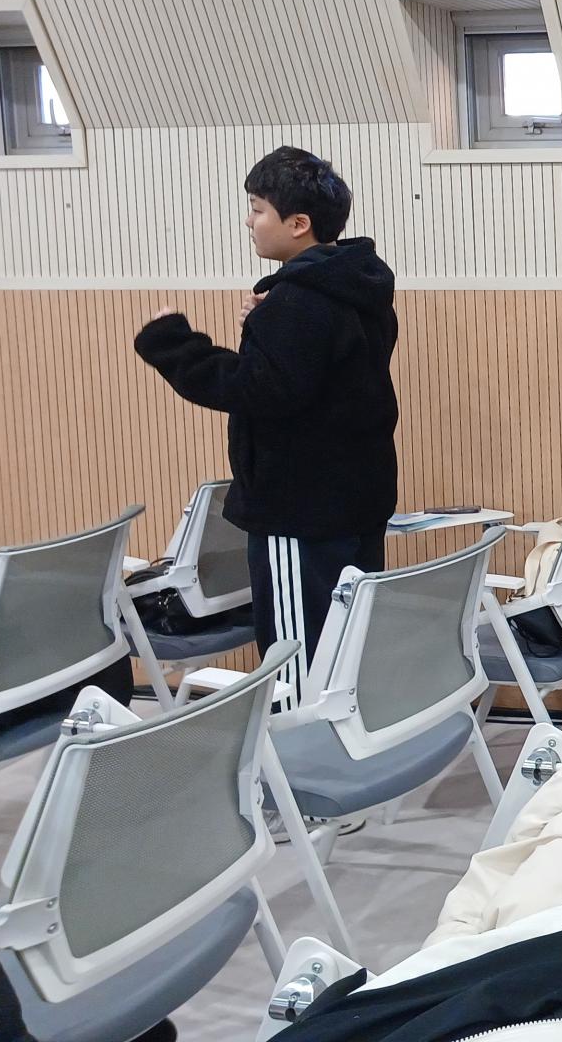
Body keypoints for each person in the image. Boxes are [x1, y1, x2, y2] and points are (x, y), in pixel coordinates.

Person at [135, 147, 398, 708]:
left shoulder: (298, 302)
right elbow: (317, 379)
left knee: (295, 662)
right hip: (353, 501)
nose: (249, 221)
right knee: (343, 646)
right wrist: (264, 327)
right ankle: (340, 748)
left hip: (298, 510)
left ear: (298, 223)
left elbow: (258, 391)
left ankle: (295, 758)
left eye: (257, 209)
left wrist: (173, 343)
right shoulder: (356, 284)